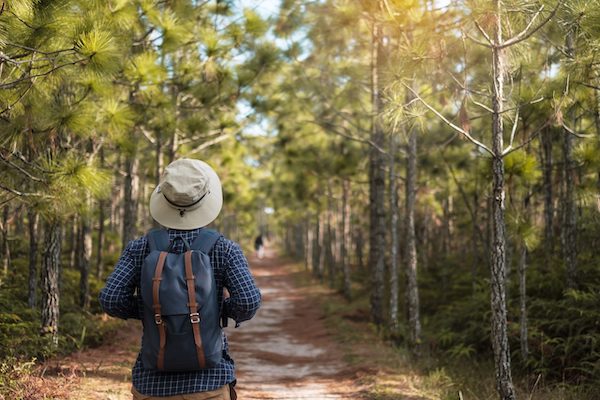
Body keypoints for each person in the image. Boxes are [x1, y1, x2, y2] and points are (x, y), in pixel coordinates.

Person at [99, 158, 261, 400]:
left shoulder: (140, 248)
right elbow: (248, 301)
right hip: (209, 384)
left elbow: (111, 299)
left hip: (152, 386)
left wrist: (152, 308)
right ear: (206, 200)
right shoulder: (224, 249)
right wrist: (215, 311)